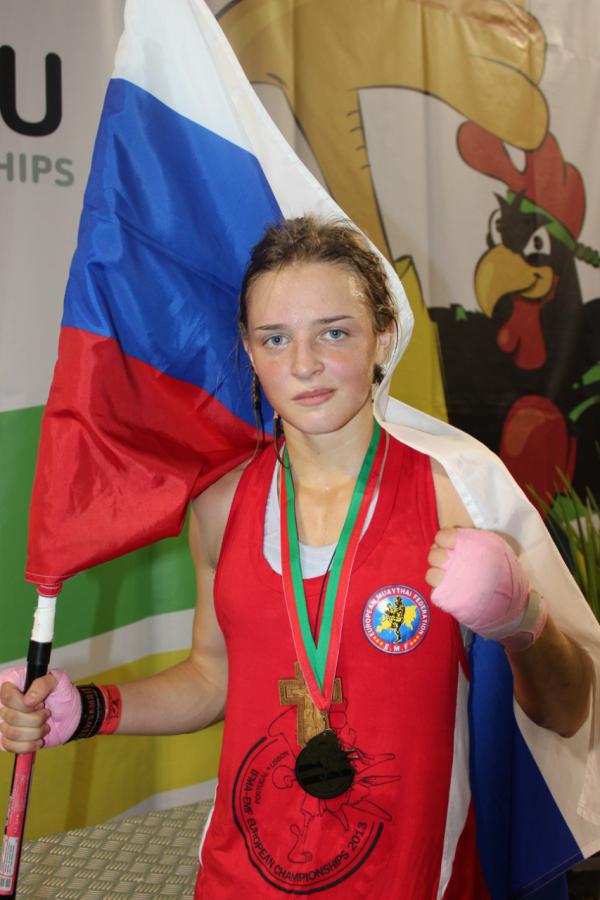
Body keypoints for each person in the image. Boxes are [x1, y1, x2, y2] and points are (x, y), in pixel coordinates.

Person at [0, 217, 595, 897]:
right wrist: (89, 709)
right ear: (249, 352)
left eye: (333, 333)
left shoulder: (457, 491)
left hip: (409, 882)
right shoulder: (222, 505)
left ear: (383, 337)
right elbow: (213, 678)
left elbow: (567, 713)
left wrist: (522, 621)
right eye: (275, 338)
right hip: (238, 880)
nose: (304, 365)